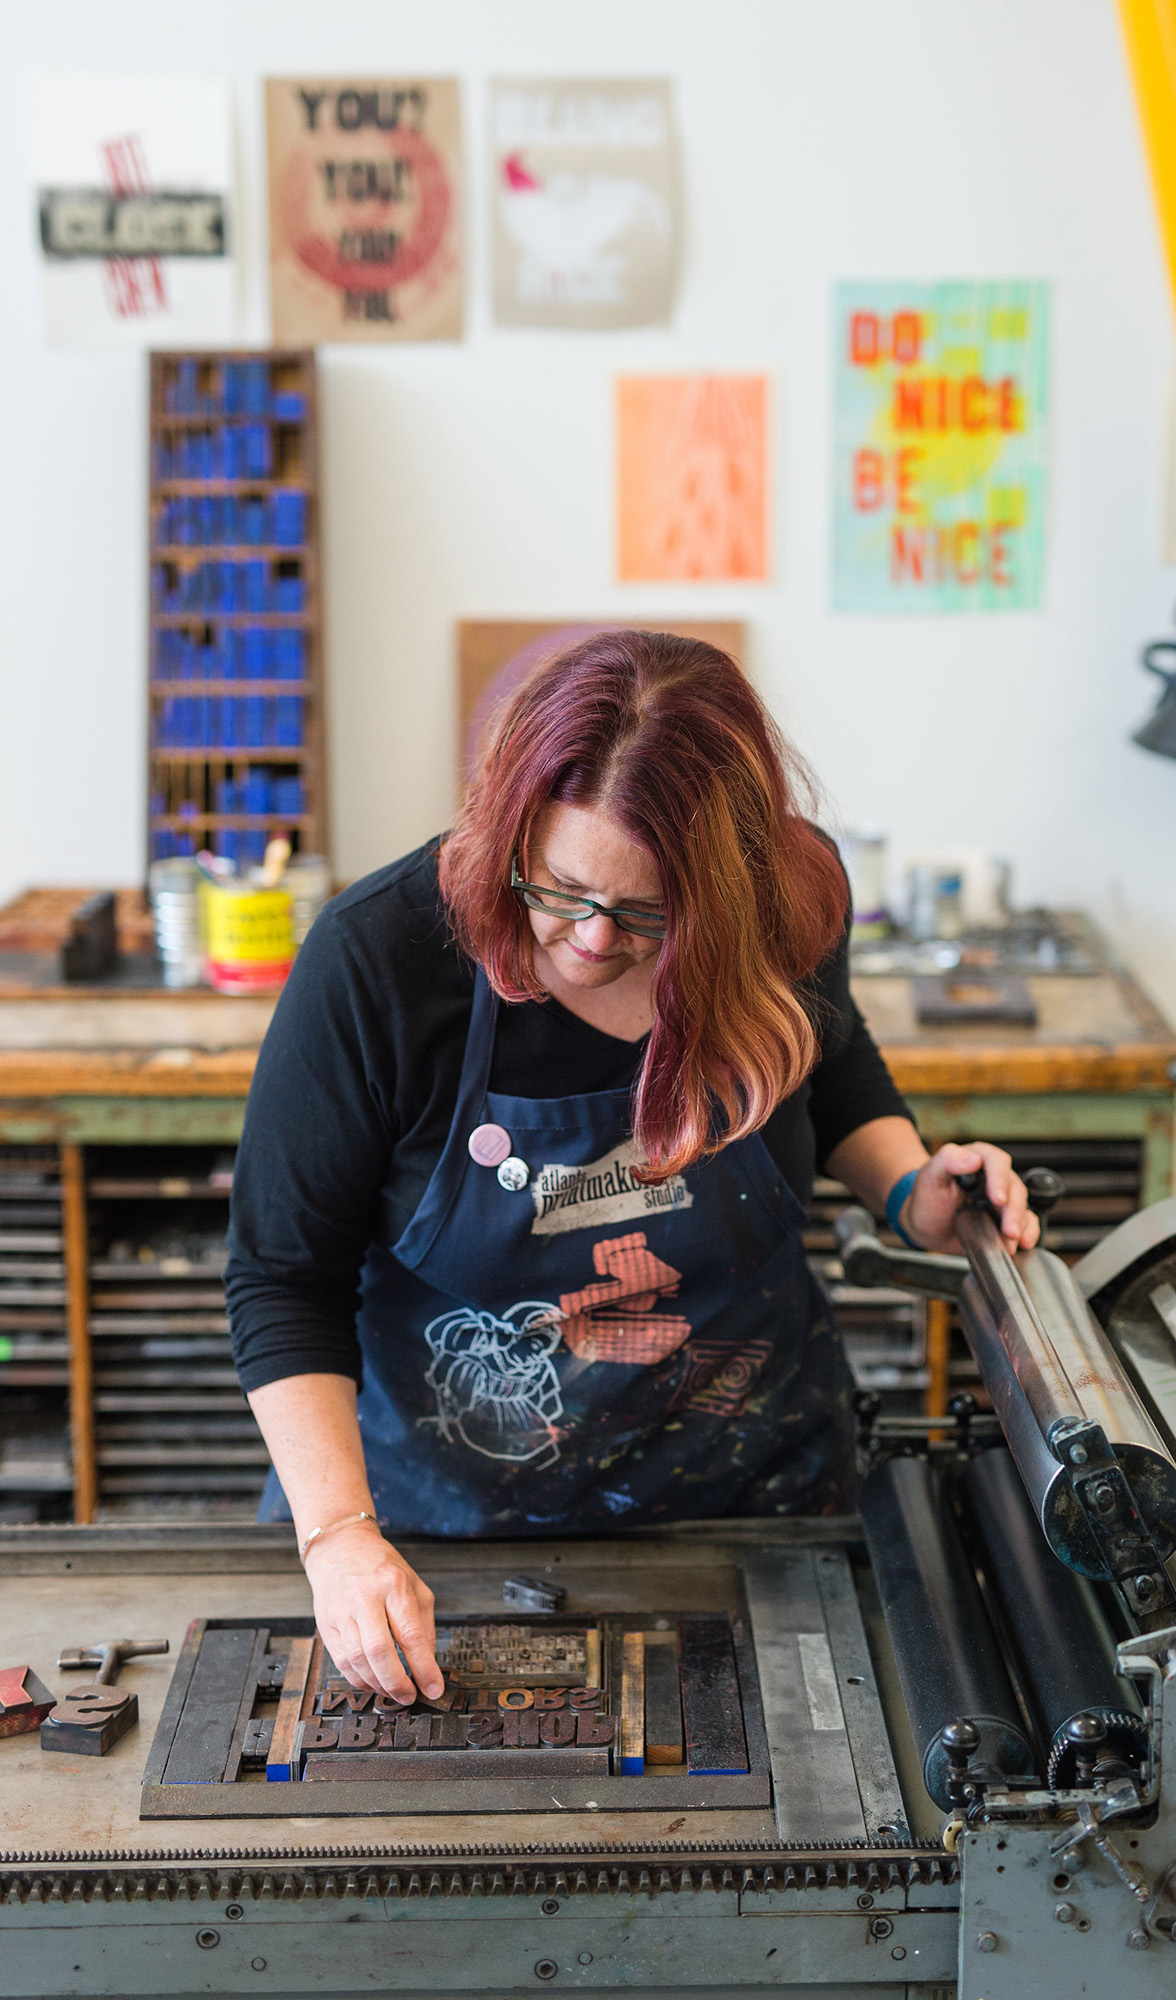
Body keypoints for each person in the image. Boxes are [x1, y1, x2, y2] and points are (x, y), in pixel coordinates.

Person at [226, 629, 1035, 1704]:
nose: (592, 942)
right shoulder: (380, 959)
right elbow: (283, 1277)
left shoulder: (793, 899)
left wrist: (908, 1185)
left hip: (750, 1502)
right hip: (442, 1528)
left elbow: (829, 1064)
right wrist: (337, 1535)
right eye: (555, 888)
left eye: (647, 913)